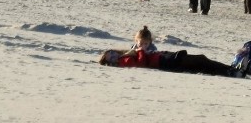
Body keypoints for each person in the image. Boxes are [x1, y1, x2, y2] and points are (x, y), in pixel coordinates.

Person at [98, 48, 234, 77]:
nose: (113, 55)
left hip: (162, 57)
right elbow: (140, 63)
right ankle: (229, 70)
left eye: (112, 53)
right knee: (199, 61)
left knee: (200, 61)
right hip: (162, 62)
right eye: (110, 57)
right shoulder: (123, 61)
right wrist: (138, 51)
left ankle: (229, 69)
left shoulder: (125, 56)